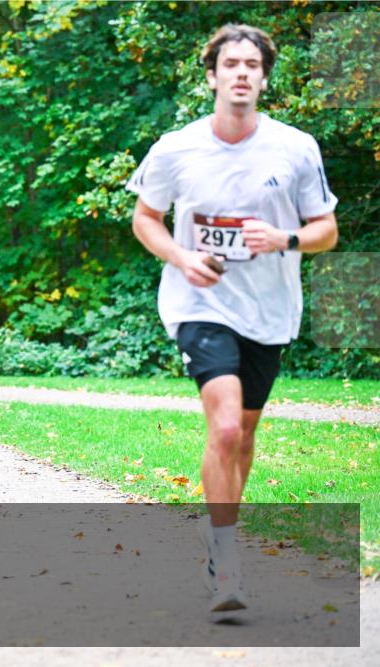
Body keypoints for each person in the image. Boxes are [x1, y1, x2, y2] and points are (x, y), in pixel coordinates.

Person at [126, 24, 338, 614]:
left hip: (269, 310)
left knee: (243, 433)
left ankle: (220, 533)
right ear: (213, 76)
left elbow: (326, 230)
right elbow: (147, 218)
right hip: (199, 303)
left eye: (252, 64)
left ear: (264, 77)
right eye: (231, 64)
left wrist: (286, 237)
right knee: (222, 427)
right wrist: (182, 257)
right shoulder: (176, 147)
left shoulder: (296, 149)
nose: (242, 73)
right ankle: (225, 561)